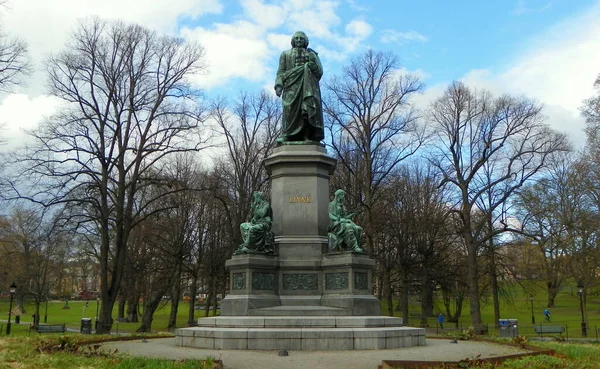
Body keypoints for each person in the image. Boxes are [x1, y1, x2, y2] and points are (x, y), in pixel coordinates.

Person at [274, 31, 324, 143]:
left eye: (302, 38)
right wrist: (278, 85)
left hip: (309, 86)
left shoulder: (312, 54)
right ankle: (287, 135)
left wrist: (312, 65)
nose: (299, 40)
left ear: (306, 41)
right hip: (291, 87)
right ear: (292, 41)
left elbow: (319, 72)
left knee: (306, 109)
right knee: (289, 110)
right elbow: (281, 72)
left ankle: (307, 136)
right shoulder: (285, 54)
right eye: (296, 38)